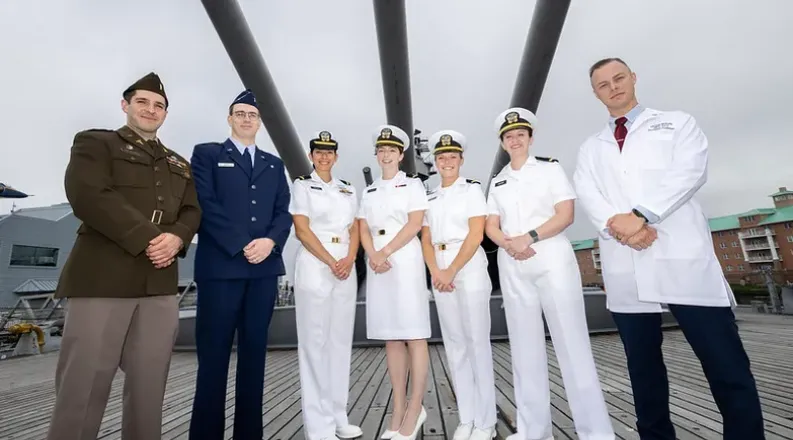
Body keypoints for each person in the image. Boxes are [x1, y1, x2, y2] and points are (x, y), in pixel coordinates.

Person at [572, 57, 765, 440]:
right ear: (595, 94)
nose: (613, 87)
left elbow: (690, 172)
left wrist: (641, 215)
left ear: (633, 78)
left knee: (725, 366)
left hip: (682, 261)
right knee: (643, 372)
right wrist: (623, 227)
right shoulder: (590, 148)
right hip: (626, 263)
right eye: (603, 85)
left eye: (619, 78)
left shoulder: (678, 123)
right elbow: (588, 192)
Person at [46, 72, 202, 440]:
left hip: (159, 284)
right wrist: (152, 238)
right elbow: (88, 194)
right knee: (83, 387)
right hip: (102, 279)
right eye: (142, 102)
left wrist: (178, 238)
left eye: (159, 105)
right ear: (125, 105)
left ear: (165, 114)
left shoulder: (180, 163)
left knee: (150, 388)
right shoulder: (96, 143)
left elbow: (192, 210)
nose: (151, 109)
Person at [485, 107, 615, 440]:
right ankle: (533, 431)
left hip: (550, 259)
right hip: (513, 264)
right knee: (524, 348)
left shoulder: (550, 168)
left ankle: (596, 433)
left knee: (572, 344)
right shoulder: (498, 181)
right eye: (509, 136)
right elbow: (491, 224)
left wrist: (528, 237)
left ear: (530, 138)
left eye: (520, 134)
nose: (515, 140)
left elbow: (565, 214)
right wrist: (509, 243)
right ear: (502, 142)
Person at [188, 89, 293, 440]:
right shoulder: (207, 154)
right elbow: (205, 203)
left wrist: (270, 242)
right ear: (230, 118)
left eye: (252, 115)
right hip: (221, 270)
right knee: (213, 360)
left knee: (254, 360)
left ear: (259, 122)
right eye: (241, 113)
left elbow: (283, 211)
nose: (247, 119)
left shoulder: (274, 164)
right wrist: (241, 244)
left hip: (263, 271)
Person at [419, 130, 497, 440]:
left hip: (468, 265)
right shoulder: (429, 197)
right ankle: (467, 418)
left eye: (452, 156)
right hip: (440, 268)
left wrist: (450, 270)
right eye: (441, 157)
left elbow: (476, 234)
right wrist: (436, 272)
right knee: (454, 345)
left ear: (461, 160)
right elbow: (425, 238)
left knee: (477, 342)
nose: (446, 161)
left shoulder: (472, 190)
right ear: (436, 161)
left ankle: (486, 422)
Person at [357, 125, 430, 440]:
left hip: (403, 258)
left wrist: (384, 252)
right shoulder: (369, 191)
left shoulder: (412, 185)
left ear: (401, 155)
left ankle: (416, 407)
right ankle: (398, 409)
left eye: (392, 150)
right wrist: (373, 254)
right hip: (378, 262)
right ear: (377, 154)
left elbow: (415, 224)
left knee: (414, 333)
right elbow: (362, 227)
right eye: (381, 150)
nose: (386, 155)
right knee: (391, 337)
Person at [289, 130, 363, 440]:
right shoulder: (303, 186)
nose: (324, 156)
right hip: (316, 263)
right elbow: (302, 230)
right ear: (311, 156)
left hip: (345, 263)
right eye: (318, 152)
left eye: (329, 152)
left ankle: (337, 417)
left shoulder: (347, 189)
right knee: (314, 343)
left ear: (336, 156)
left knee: (339, 342)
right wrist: (332, 262)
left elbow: (355, 227)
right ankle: (318, 426)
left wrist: (350, 258)